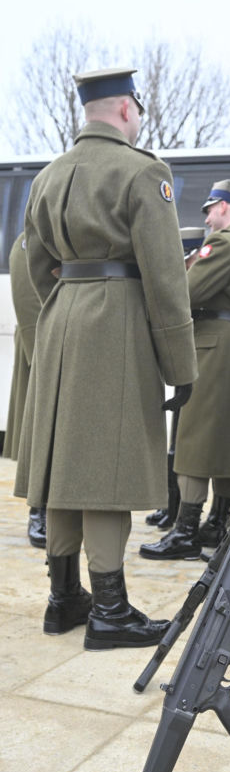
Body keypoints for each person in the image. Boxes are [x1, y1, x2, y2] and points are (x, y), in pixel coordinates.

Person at [14, 66, 197, 649]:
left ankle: (64, 598)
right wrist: (181, 367)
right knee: (108, 472)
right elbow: (167, 279)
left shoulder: (46, 177)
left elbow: (32, 265)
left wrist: (58, 319)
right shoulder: (144, 171)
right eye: (137, 109)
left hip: (63, 315)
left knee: (66, 470)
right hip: (117, 320)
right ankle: (110, 611)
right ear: (125, 110)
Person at [140, 179, 230, 560]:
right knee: (225, 439)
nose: (208, 219)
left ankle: (185, 530)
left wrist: (186, 263)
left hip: (211, 346)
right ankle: (217, 522)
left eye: (210, 210)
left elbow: (185, 293)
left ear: (224, 208)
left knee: (195, 439)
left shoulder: (224, 244)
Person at [144, 226, 207, 532]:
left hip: (195, 355)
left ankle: (176, 508)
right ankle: (169, 505)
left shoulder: (198, 268)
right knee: (174, 436)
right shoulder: (187, 269)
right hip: (179, 351)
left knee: (183, 438)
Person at [3, 231, 46, 548]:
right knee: (39, 430)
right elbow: (25, 294)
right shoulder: (30, 238)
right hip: (41, 345)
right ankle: (38, 511)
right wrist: (40, 352)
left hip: (63, 342)